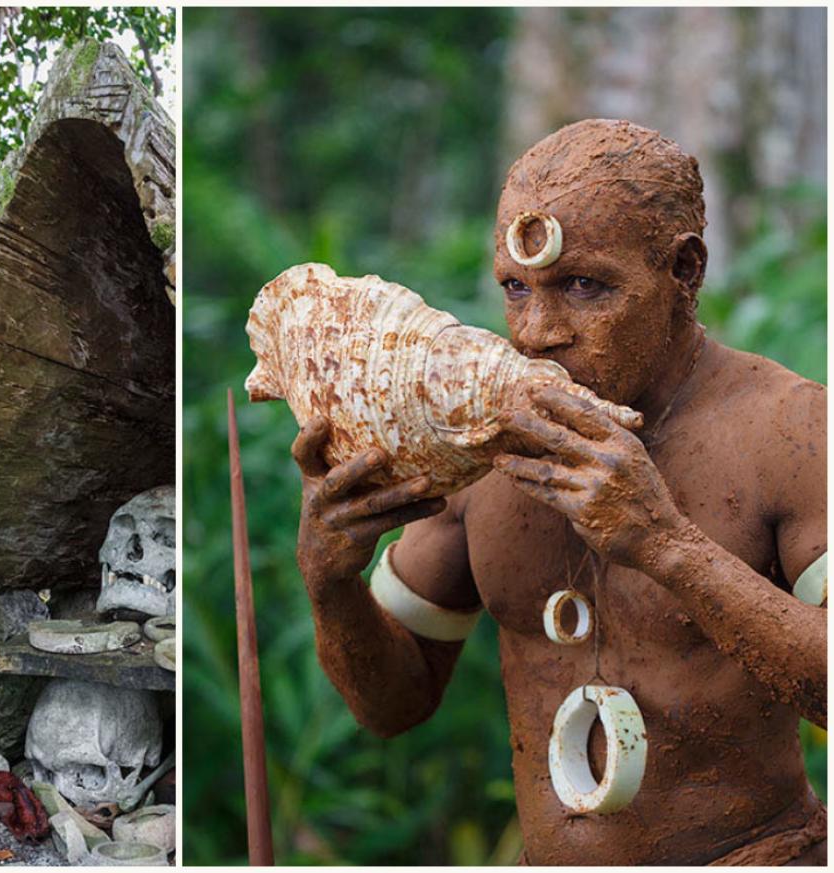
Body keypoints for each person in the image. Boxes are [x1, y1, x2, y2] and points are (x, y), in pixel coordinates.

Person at [293, 119, 827, 865]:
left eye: (585, 285)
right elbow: (392, 704)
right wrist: (329, 579)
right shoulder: (481, 448)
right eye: (517, 289)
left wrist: (665, 545)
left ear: (686, 271)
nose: (538, 332)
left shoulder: (788, 427)